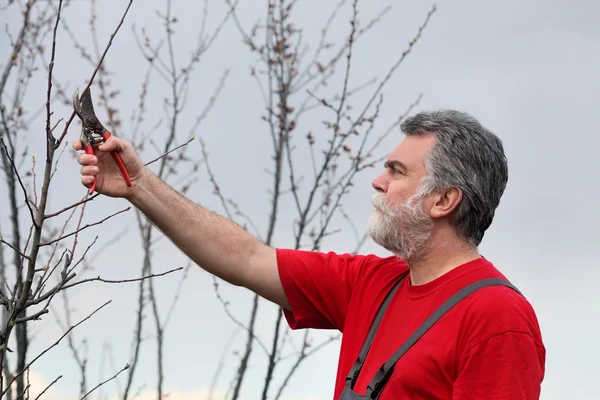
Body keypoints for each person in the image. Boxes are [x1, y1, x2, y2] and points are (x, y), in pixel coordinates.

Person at [74, 109, 545, 399]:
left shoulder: (496, 316)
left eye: (396, 171)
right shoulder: (371, 283)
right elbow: (246, 259)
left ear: (444, 200)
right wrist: (137, 184)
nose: (377, 181)